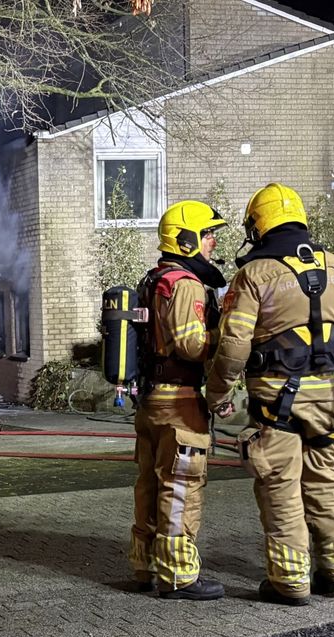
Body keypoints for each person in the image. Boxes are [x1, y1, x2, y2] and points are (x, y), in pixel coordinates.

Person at [205, 183, 334, 606]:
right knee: (326, 480)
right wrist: (332, 372)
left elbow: (234, 346)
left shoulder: (254, 275)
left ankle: (290, 580)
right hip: (330, 400)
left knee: (280, 486)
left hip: (276, 401)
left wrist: (217, 393)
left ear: (257, 227)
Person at [128, 200, 228, 601]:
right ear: (186, 240)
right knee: (180, 486)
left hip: (152, 399)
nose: (213, 242)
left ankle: (145, 565)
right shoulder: (185, 284)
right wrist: (225, 336)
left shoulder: (154, 280)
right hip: (180, 404)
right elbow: (190, 345)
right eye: (207, 234)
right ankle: (179, 575)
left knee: (149, 484)